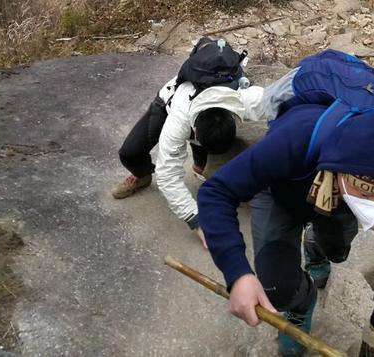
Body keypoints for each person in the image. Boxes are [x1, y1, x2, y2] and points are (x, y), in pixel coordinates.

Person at [198, 50, 374, 357]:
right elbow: (216, 192)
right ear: (339, 168)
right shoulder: (294, 139)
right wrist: (237, 274)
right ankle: (302, 304)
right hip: (281, 190)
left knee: (337, 252)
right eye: (365, 193)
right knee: (275, 285)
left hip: (337, 199)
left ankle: (318, 246)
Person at [111, 38, 265, 245]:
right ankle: (142, 175)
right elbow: (168, 176)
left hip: (202, 122)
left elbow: (283, 95)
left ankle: (201, 165)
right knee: (129, 153)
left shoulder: (246, 99)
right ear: (194, 130)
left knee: (204, 166)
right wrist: (196, 221)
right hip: (170, 103)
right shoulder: (178, 122)